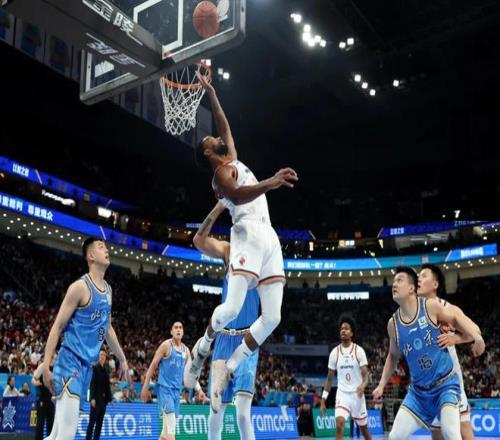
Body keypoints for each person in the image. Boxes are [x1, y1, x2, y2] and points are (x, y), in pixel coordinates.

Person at [189, 71, 298, 413]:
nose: (217, 136)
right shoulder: (220, 175)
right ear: (208, 152)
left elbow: (225, 126)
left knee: (273, 317)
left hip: (268, 234)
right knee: (232, 309)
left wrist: (211, 93)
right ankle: (203, 347)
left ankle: (234, 363)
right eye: (211, 139)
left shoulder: (231, 158)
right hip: (246, 232)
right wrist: (272, 182)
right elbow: (237, 195)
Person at [372, 267, 485, 440]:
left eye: (399, 280)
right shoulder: (393, 325)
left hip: (447, 383)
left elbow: (467, 326)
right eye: (393, 281)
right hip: (419, 392)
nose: (394, 284)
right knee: (396, 436)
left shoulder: (436, 306)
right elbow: (393, 356)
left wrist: (463, 338)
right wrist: (381, 385)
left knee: (454, 432)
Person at [40, 237, 130, 440]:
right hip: (70, 362)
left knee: (56, 435)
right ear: (91, 256)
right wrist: (46, 366)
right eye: (101, 247)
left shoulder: (108, 290)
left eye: (106, 247)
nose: (106, 250)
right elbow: (57, 327)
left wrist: (122, 358)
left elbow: (107, 329)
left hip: (86, 368)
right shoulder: (79, 287)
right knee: (66, 434)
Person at [192, 202, 260, 440]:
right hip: (223, 339)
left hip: (247, 340)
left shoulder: (261, 254)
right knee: (215, 414)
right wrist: (219, 206)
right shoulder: (227, 250)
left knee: (242, 415)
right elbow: (198, 240)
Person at [418, 264, 477, 440]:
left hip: (451, 383)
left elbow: (473, 333)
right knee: (437, 435)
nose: (419, 278)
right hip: (430, 386)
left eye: (424, 275)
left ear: (435, 284)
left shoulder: (448, 308)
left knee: (465, 434)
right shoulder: (415, 314)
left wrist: (455, 339)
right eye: (418, 276)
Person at [141, 321, 206, 440]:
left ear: (183, 332)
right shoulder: (166, 346)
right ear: (171, 331)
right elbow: (153, 364)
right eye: (175, 327)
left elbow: (190, 374)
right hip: (165, 390)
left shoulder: (186, 350)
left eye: (180, 327)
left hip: (176, 392)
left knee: (165, 433)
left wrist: (199, 390)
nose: (178, 329)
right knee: (172, 433)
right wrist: (145, 386)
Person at [321, 315, 371, 440]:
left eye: (346, 328)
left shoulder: (358, 351)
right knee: (339, 425)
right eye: (342, 328)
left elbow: (366, 376)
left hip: (357, 396)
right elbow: (329, 379)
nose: (343, 330)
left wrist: (363, 386)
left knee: (364, 430)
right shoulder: (334, 353)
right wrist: (323, 400)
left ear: (351, 333)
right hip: (342, 395)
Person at [86, 350, 112, 440]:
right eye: (101, 355)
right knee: (91, 424)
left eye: (104, 355)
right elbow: (92, 384)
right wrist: (92, 398)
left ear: (105, 358)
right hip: (96, 400)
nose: (102, 356)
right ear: (98, 357)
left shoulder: (106, 370)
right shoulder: (94, 368)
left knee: (99, 425)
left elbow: (107, 386)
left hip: (103, 402)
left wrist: (110, 399)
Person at [32, 359, 55, 440]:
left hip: (51, 400)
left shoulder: (56, 368)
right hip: (42, 398)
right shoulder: (42, 366)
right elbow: (33, 379)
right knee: (40, 423)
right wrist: (36, 383)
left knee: (51, 423)